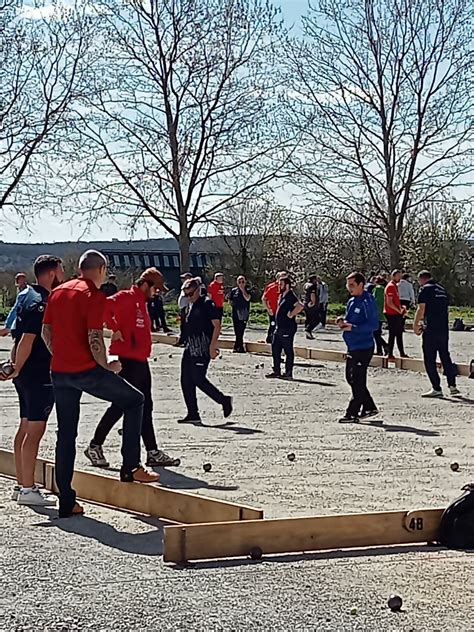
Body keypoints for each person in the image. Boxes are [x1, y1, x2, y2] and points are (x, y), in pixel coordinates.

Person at [42, 250, 159, 519]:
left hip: (59, 372)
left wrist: (59, 355)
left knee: (66, 434)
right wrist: (107, 365)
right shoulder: (93, 296)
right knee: (134, 399)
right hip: (86, 370)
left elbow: (46, 332)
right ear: (102, 269)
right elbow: (94, 336)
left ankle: (66, 500)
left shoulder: (58, 292)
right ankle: (130, 466)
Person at [85, 268, 178, 469]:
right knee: (122, 404)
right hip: (127, 359)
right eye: (156, 289)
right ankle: (95, 445)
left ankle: (152, 451)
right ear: (145, 284)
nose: (158, 293)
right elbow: (104, 307)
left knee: (146, 405)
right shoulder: (127, 297)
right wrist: (114, 328)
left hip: (140, 359)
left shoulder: (142, 302)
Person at [2, 256, 64, 506]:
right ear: (51, 274)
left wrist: (14, 365)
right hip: (38, 373)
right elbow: (27, 338)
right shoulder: (41, 303)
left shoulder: (26, 295)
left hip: (26, 373)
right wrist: (17, 367)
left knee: (25, 426)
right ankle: (28, 488)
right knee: (35, 430)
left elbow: (16, 337)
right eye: (61, 271)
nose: (63, 276)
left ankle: (21, 483)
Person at [178, 277, 232, 423]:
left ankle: (223, 400)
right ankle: (193, 413)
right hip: (190, 346)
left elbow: (217, 325)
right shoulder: (191, 305)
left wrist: (213, 345)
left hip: (202, 347)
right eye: (186, 295)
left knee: (198, 379)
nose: (188, 297)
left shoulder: (207, 303)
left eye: (190, 294)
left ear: (198, 290)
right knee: (185, 380)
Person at [337, 272, 379, 423]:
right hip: (352, 346)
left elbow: (373, 325)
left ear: (361, 284)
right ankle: (369, 406)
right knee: (350, 378)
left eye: (352, 285)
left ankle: (351, 413)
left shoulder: (368, 301)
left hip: (363, 346)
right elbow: (350, 319)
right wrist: (343, 321)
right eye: (348, 285)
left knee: (357, 380)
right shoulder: (352, 301)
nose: (349, 288)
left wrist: (352, 327)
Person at [414, 270, 460, 398]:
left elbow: (421, 308)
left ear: (422, 279)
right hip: (443, 328)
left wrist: (416, 324)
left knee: (429, 358)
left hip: (431, 329)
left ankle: (436, 388)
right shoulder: (441, 289)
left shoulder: (425, 289)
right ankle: (452, 386)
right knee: (445, 356)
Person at [266, 277, 304, 380]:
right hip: (279, 327)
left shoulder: (291, 296)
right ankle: (276, 371)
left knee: (288, 350)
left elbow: (300, 306)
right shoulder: (282, 296)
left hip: (287, 328)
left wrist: (291, 314)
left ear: (287, 285)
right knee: (275, 349)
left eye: (281, 284)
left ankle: (288, 373)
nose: (279, 286)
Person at [384, 269, 407, 360]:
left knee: (398, 333)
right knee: (393, 334)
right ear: (393, 276)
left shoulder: (395, 286)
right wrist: (398, 310)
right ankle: (389, 354)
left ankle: (401, 353)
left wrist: (402, 308)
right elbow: (389, 303)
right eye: (398, 276)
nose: (400, 278)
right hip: (392, 313)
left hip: (395, 313)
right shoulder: (390, 286)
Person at [262, 271, 287, 344]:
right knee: (273, 325)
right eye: (282, 277)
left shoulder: (286, 288)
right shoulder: (272, 287)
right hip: (273, 311)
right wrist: (268, 309)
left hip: (282, 311)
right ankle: (270, 339)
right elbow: (264, 298)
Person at [229, 275, 251, 353]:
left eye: (243, 281)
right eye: (239, 282)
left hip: (244, 312)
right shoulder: (234, 290)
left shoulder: (247, 290)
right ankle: (238, 346)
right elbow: (230, 300)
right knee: (236, 330)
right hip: (235, 312)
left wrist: (243, 290)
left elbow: (248, 298)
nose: (241, 283)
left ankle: (238, 346)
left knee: (241, 330)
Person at [372, 276, 388, 356]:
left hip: (376, 314)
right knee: (377, 333)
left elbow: (374, 301)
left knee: (375, 333)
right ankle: (379, 350)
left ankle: (385, 345)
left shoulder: (377, 289)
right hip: (382, 313)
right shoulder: (384, 289)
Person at [175, 272, 192, 346]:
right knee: (182, 325)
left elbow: (189, 297)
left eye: (184, 278)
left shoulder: (190, 286)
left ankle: (185, 341)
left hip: (186, 307)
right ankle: (182, 340)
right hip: (183, 307)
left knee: (185, 325)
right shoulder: (184, 286)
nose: (183, 279)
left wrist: (188, 308)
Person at [303, 274, 320, 340]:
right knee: (316, 319)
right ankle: (308, 330)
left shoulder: (306, 285)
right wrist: (313, 302)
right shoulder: (313, 286)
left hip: (306, 303)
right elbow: (312, 294)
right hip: (312, 304)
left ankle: (308, 334)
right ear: (314, 279)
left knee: (308, 319)